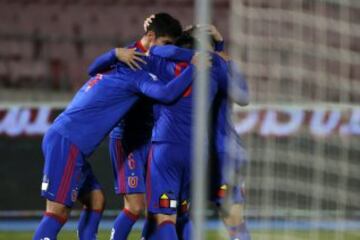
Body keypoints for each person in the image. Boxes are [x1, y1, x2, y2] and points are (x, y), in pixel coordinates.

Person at [32, 41, 196, 240]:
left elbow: (93, 69)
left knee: (96, 199)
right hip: (70, 141)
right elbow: (166, 94)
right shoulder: (134, 70)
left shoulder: (120, 65)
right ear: (151, 38)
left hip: (69, 140)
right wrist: (196, 64)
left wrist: (113, 54)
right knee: (56, 212)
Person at [87, 13, 184, 240]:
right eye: (166, 43)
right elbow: (93, 71)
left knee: (157, 206)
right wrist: (113, 54)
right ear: (151, 36)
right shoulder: (129, 56)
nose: (169, 50)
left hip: (151, 139)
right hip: (126, 139)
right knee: (135, 205)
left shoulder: (159, 60)